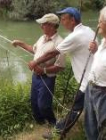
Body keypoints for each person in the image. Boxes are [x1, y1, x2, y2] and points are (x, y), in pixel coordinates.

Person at [28, 7, 97, 139]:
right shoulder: (87, 30)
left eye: (64, 19)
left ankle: (58, 132)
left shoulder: (74, 36)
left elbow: (53, 53)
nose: (62, 22)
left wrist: (35, 63)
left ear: (73, 20)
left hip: (89, 81)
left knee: (78, 109)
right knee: (84, 109)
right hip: (94, 78)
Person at [12, 13, 65, 125]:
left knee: (44, 105)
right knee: (34, 102)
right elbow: (33, 50)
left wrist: (44, 70)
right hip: (36, 76)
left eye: (43, 24)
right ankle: (40, 122)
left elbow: (60, 67)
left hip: (47, 78)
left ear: (51, 25)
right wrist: (20, 43)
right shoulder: (42, 38)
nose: (41, 26)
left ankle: (53, 123)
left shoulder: (60, 43)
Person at [84, 6, 106, 140]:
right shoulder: (103, 41)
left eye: (100, 21)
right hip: (91, 88)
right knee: (90, 125)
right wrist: (96, 51)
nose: (98, 24)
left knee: (103, 128)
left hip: (103, 93)